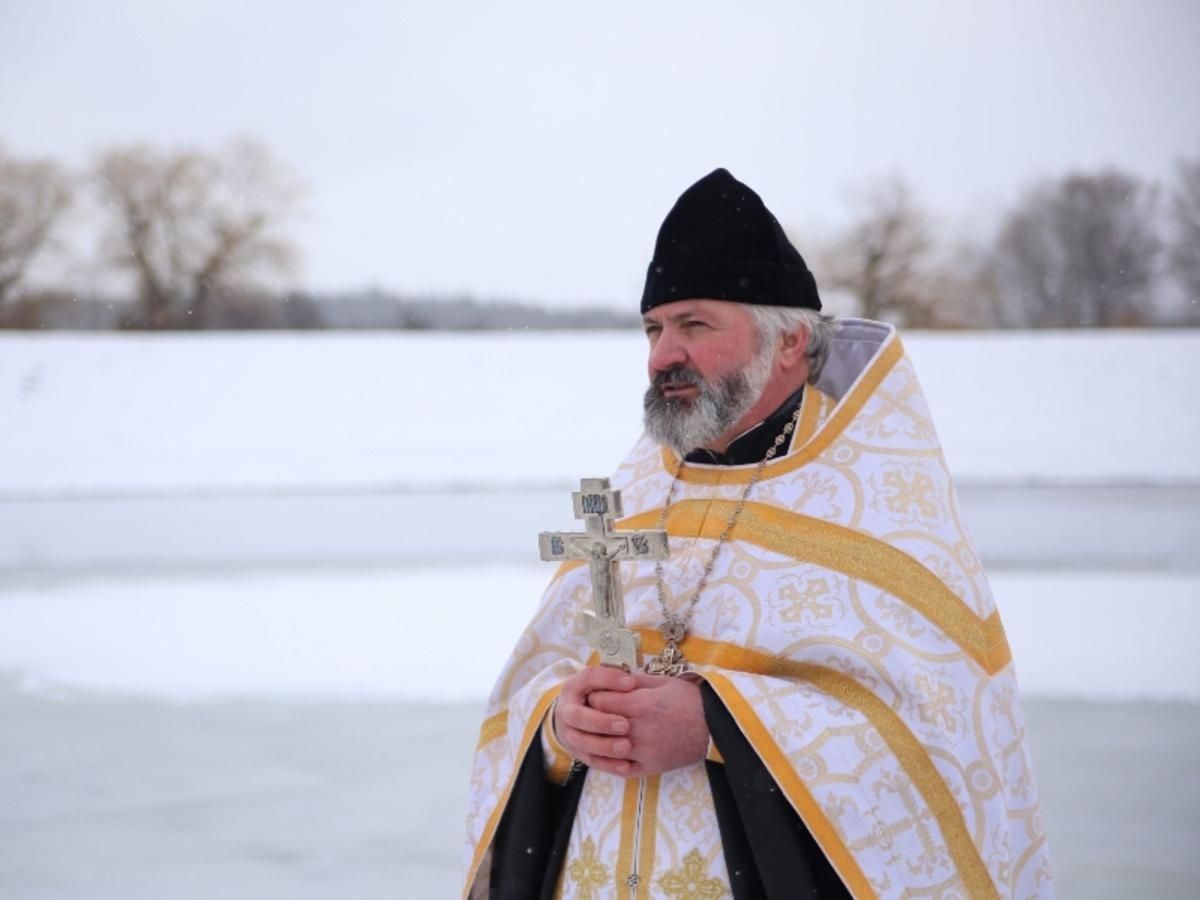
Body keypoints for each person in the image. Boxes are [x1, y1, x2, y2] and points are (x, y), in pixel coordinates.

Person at [463, 169, 1054, 899]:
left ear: (789, 341)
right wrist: (560, 726)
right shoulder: (641, 488)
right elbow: (531, 686)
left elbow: (940, 745)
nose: (661, 355)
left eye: (695, 325)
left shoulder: (875, 503)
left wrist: (720, 726)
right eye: (654, 328)